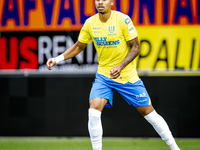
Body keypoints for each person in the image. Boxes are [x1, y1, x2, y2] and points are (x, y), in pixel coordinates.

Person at [46, 0, 181, 150]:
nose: (100, 2)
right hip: (104, 76)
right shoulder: (90, 23)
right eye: (97, 0)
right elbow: (79, 46)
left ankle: (175, 148)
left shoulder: (123, 20)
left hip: (127, 76)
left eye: (104, 0)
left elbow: (136, 48)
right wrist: (57, 59)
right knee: (94, 110)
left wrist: (121, 66)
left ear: (112, 2)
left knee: (149, 114)